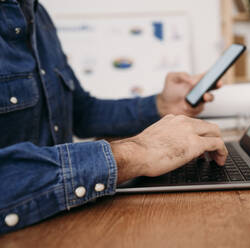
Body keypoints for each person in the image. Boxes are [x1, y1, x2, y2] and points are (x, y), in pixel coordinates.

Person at [0, 0, 227, 234]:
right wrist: (133, 153)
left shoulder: (37, 13)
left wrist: (160, 105)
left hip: (65, 219)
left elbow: (82, 113)